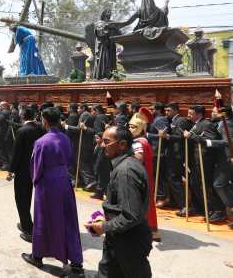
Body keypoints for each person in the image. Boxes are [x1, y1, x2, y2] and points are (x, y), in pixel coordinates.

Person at [21, 108, 84, 277]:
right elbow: (70, 159)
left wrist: (35, 181)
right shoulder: (65, 138)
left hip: (47, 184)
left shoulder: (41, 142)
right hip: (64, 180)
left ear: (45, 121)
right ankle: (77, 264)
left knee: (43, 220)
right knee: (69, 220)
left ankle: (38, 256)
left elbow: (36, 166)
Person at [85, 126, 152, 278]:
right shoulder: (123, 165)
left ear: (122, 144)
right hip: (118, 237)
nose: (102, 145)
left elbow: (130, 215)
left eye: (107, 142)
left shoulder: (126, 171)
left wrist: (104, 226)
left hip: (129, 242)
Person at [6, 106, 45, 241]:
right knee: (35, 198)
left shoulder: (22, 131)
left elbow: (17, 153)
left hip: (23, 170)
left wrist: (10, 170)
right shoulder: (40, 128)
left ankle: (27, 228)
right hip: (38, 168)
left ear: (22, 116)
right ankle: (27, 223)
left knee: (22, 198)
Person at [183, 105, 224, 222]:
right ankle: (205, 208)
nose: (189, 116)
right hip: (195, 160)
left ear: (199, 114)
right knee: (195, 184)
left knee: (205, 186)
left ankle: (217, 210)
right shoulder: (195, 124)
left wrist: (192, 136)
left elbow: (210, 141)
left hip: (205, 160)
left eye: (191, 113)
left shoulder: (207, 124)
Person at [128, 110, 160, 242]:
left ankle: (149, 230)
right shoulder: (142, 140)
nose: (130, 128)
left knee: (141, 202)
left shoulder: (138, 142)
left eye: (134, 127)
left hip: (139, 178)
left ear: (141, 128)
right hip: (145, 176)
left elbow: (138, 158)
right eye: (129, 126)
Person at [205, 105, 233, 223]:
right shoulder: (221, 123)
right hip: (220, 159)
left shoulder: (228, 124)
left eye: (215, 111)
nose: (212, 113)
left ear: (223, 113)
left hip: (227, 159)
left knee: (219, 184)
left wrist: (209, 142)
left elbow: (228, 141)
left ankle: (231, 207)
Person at [161, 103, 187, 211]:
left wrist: (167, 136)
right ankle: (174, 202)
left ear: (176, 111)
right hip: (171, 154)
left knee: (175, 179)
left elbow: (180, 137)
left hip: (177, 155)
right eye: (166, 110)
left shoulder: (181, 120)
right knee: (170, 178)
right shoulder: (171, 121)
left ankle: (183, 206)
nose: (166, 113)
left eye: (169, 110)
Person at [65, 103, 96, 190]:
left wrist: (66, 126)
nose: (77, 110)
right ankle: (88, 181)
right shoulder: (87, 115)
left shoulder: (84, 115)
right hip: (87, 142)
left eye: (79, 108)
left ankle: (90, 181)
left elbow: (79, 129)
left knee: (81, 162)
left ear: (83, 108)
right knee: (84, 161)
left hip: (84, 142)